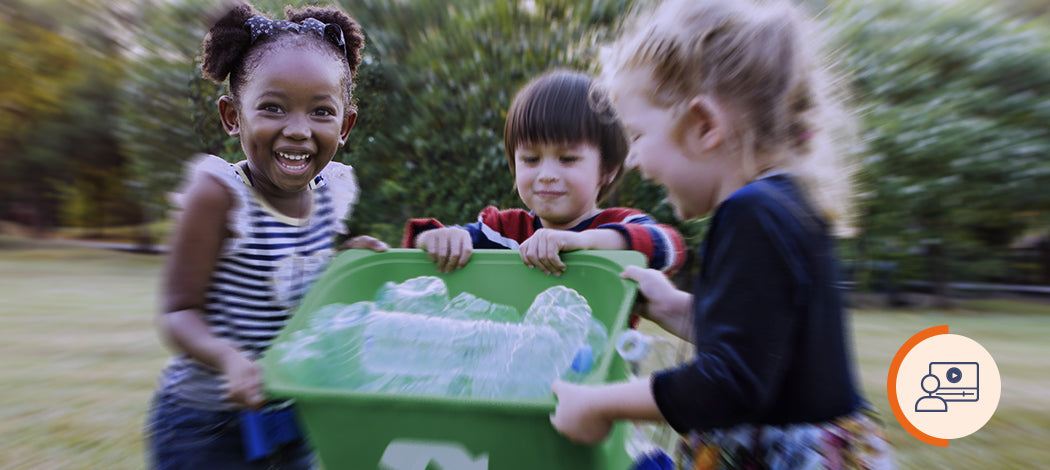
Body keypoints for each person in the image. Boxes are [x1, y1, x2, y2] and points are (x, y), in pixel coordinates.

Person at [549, 0, 893, 468]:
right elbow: (763, 345)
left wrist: (601, 403)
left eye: (638, 135)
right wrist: (673, 307)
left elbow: (730, 384)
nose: (633, 160)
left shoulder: (750, 214)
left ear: (704, 126)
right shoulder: (790, 204)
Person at [145, 3, 387, 469]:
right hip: (205, 426)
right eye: (273, 108)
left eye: (321, 112)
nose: (297, 130)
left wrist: (346, 263)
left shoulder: (331, 194)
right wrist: (228, 359)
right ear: (232, 115)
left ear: (345, 126)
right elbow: (178, 312)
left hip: (290, 414)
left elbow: (297, 279)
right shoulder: (218, 195)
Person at [402, 70, 686, 277]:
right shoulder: (503, 232)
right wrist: (438, 240)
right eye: (531, 159)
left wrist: (583, 242)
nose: (547, 174)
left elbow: (670, 247)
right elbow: (421, 242)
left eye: (568, 159)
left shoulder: (619, 225)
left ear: (607, 170)